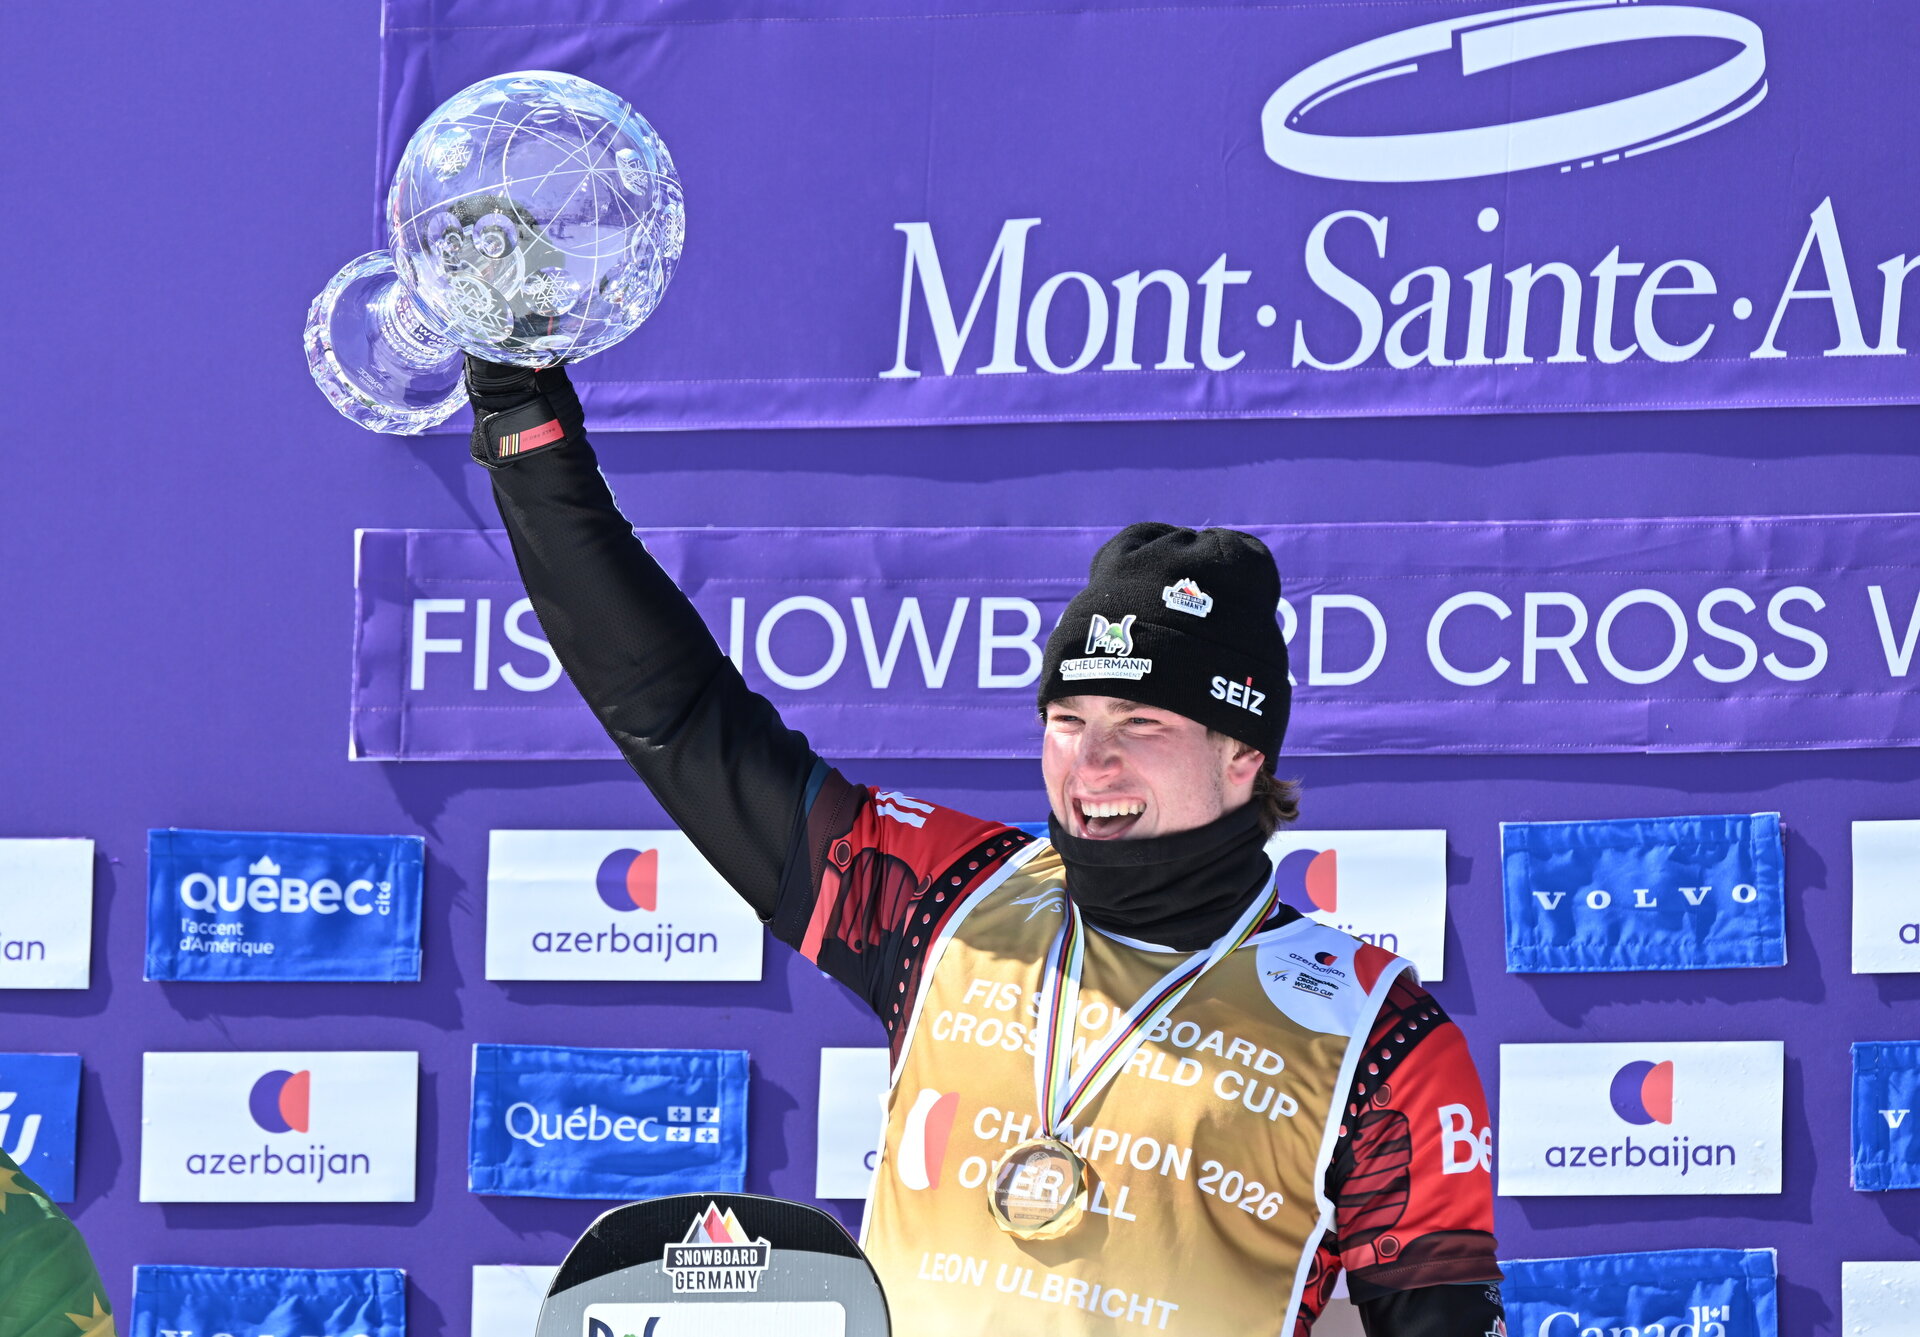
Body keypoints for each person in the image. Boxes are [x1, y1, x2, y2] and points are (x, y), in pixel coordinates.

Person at [465, 358, 1506, 1337]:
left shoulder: (1379, 1037)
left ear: (1244, 757)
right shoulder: (945, 896)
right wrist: (527, 429)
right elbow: (683, 718)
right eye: (1068, 718)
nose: (1092, 762)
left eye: (1141, 724)